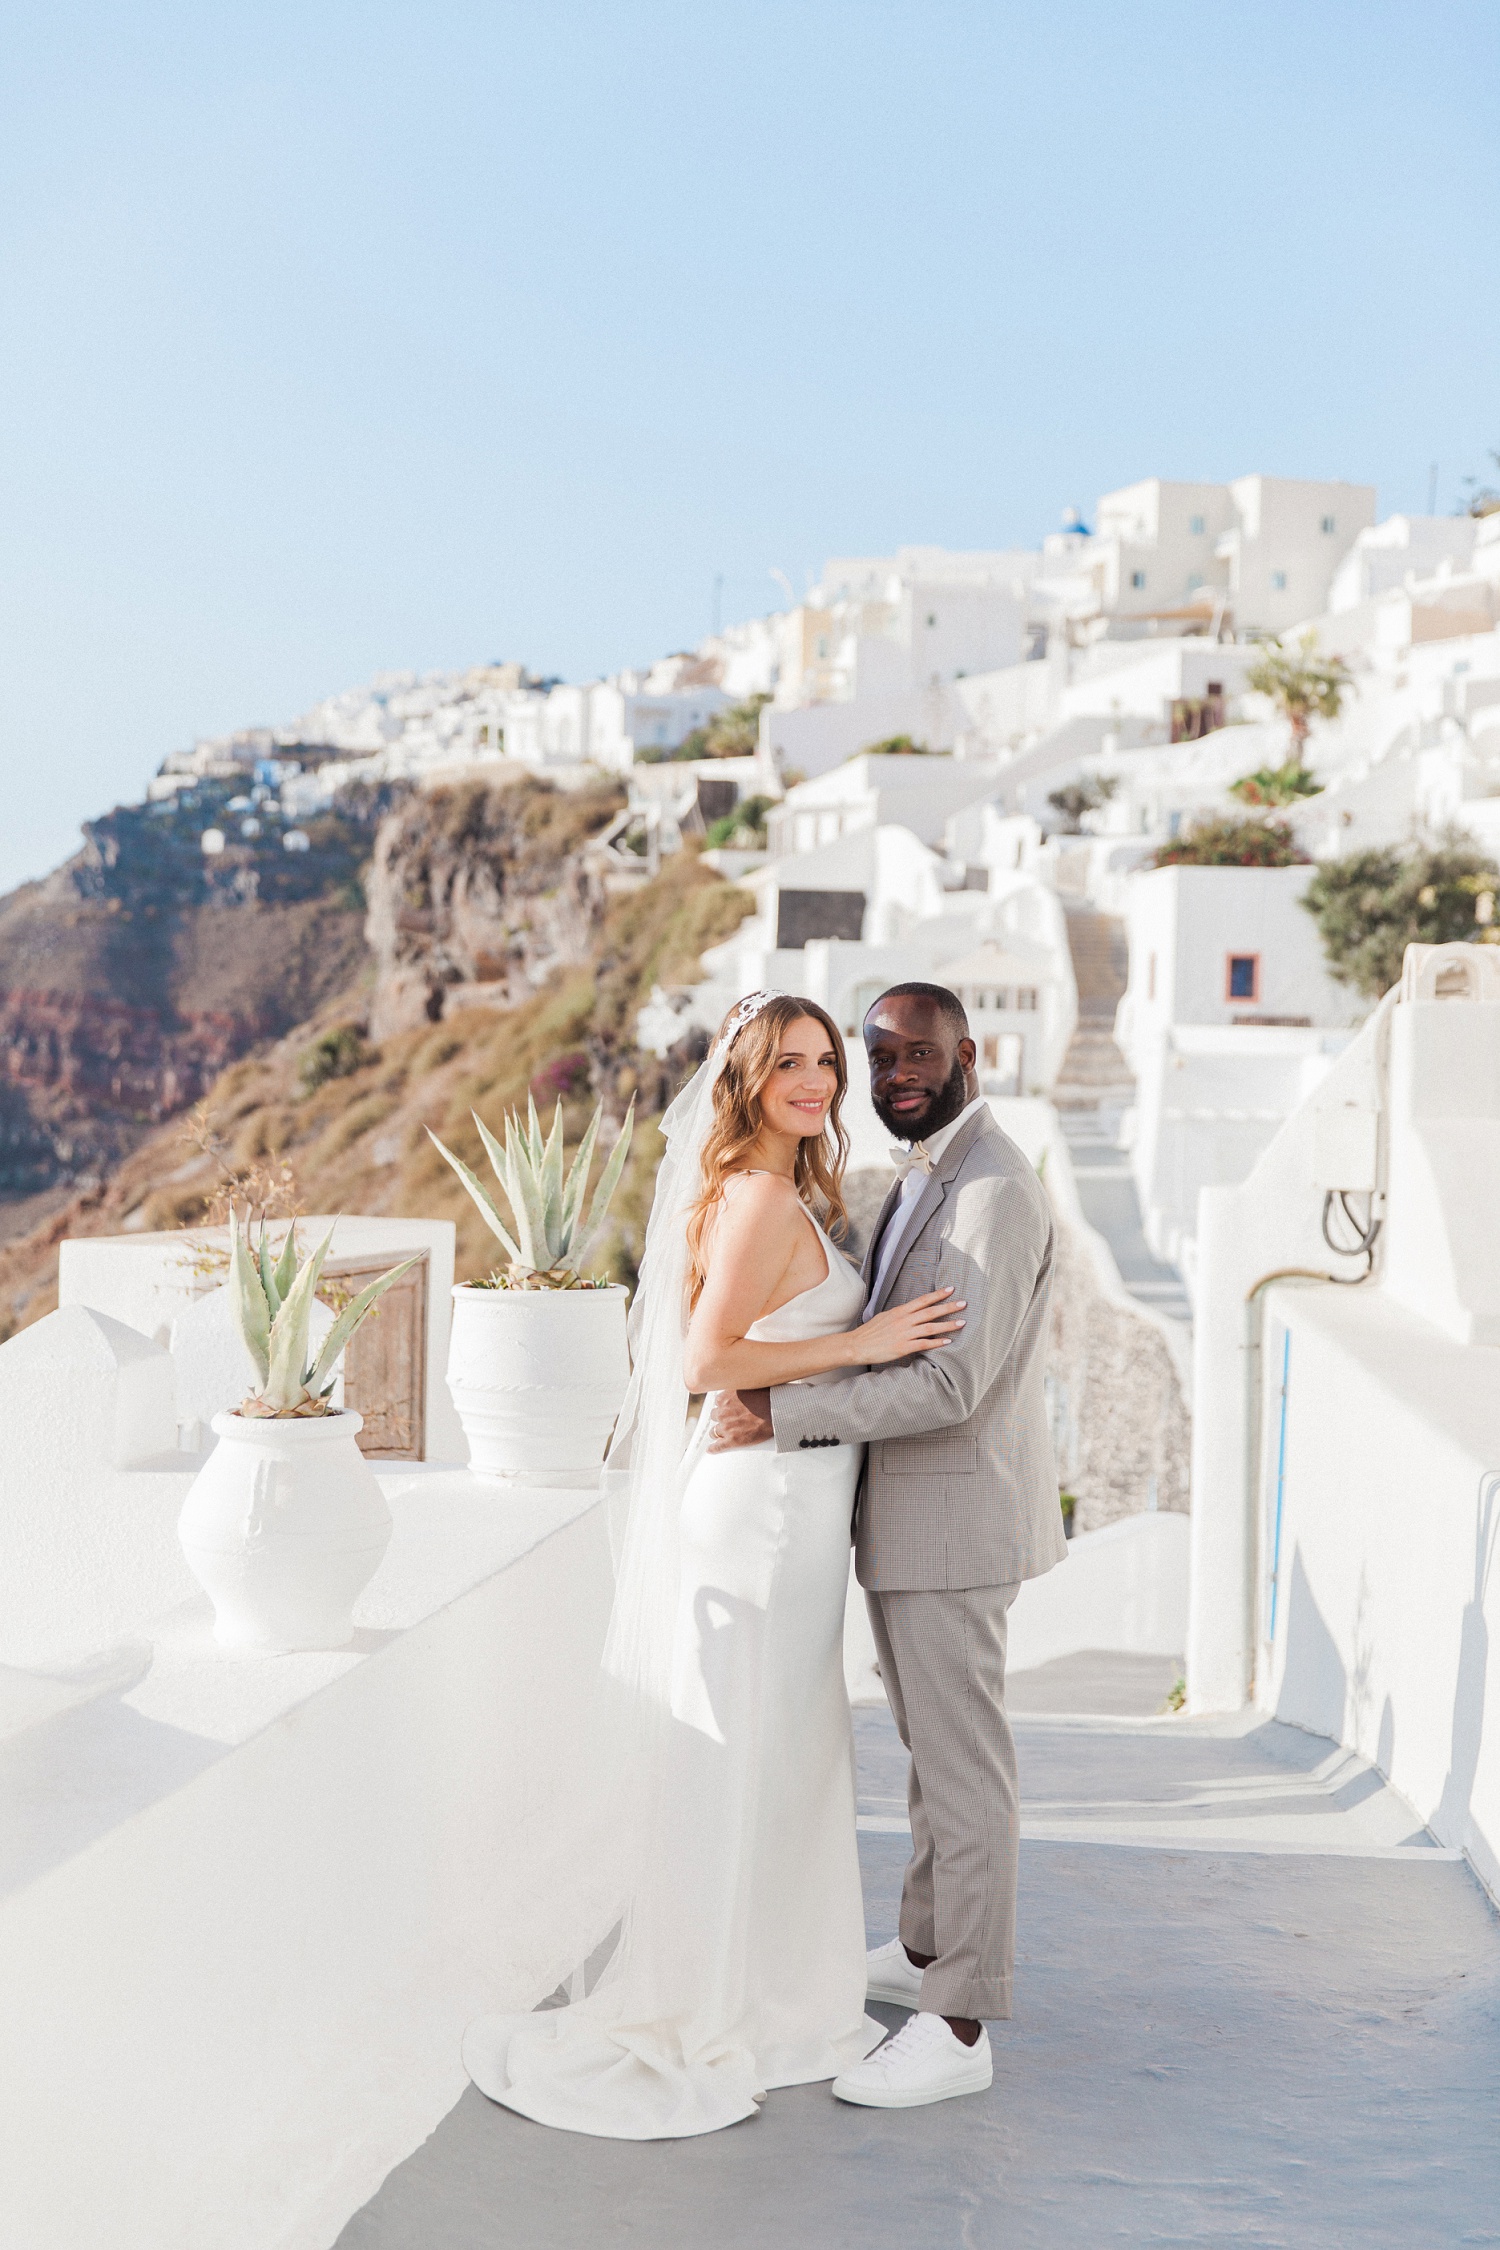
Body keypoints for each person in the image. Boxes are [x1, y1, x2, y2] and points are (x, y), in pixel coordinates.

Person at [462, 989, 964, 2139]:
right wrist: (868, 1342)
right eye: (789, 1062)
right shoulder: (751, 1194)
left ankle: (770, 1987)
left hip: (783, 1505)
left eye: (825, 1061)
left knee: (779, 1751)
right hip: (760, 1513)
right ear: (744, 1077)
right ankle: (724, 1998)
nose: (816, 1081)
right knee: (752, 1748)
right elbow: (704, 1358)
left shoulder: (781, 1189)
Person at [710, 981, 1064, 2111]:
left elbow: (952, 1385)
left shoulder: (995, 1190)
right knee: (932, 1758)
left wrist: (783, 1414)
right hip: (905, 1522)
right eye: (881, 1056)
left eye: (918, 1053)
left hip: (955, 1522)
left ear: (969, 1052)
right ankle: (921, 1948)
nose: (896, 1072)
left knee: (964, 1774)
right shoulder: (923, 1175)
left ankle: (959, 2023)